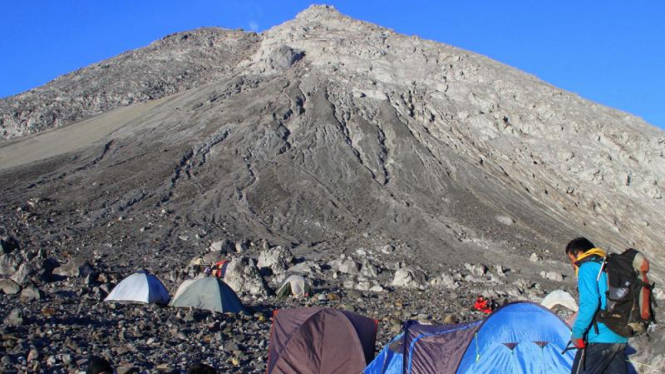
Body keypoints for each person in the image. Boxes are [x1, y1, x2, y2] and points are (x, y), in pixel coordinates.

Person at [565, 237, 628, 374]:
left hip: (599, 338)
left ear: (580, 253)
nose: (573, 264)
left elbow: (590, 302)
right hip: (619, 337)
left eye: (571, 259)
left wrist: (577, 332)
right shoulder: (608, 266)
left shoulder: (587, 268)